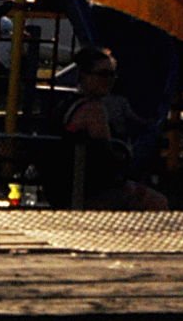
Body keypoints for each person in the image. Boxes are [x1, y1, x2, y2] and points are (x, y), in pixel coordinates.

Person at [57, 46, 168, 210]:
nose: (109, 80)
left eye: (112, 74)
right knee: (158, 202)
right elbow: (106, 157)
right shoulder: (94, 109)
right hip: (88, 188)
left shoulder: (67, 103)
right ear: (84, 76)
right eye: (102, 74)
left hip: (65, 183)